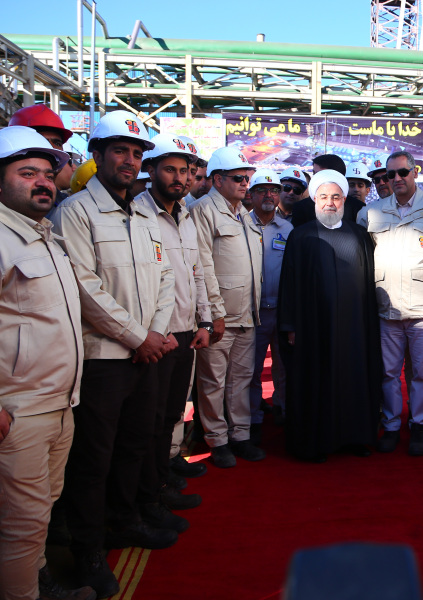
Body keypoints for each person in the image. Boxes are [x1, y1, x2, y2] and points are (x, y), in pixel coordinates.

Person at [0, 126, 91, 600]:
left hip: (57, 407)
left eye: (48, 174)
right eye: (27, 173)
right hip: (13, 415)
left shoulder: (46, 240)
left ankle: (37, 585)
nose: (43, 183)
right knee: (25, 523)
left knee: (37, 517)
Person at [52, 110, 177, 598]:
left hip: (146, 352)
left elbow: (165, 277)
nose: (130, 160)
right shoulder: (76, 212)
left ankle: (124, 520)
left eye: (136, 152)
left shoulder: (142, 214)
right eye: (120, 150)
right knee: (93, 459)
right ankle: (88, 551)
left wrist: (155, 334)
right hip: (103, 358)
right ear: (97, 154)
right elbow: (84, 288)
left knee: (134, 444)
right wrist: (138, 337)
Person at [277, 169, 383, 462]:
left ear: (344, 200)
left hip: (354, 326)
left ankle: (355, 437)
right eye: (323, 197)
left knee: (354, 378)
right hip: (313, 326)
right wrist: (290, 325)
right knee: (316, 380)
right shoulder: (300, 236)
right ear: (314, 199)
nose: (330, 203)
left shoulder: (359, 236)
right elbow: (289, 283)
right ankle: (316, 442)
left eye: (336, 197)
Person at [134, 134, 212, 532]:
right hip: (156, 337)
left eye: (185, 171)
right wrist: (156, 331)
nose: (179, 177)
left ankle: (161, 482)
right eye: (170, 169)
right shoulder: (137, 214)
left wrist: (204, 321)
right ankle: (147, 496)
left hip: (185, 332)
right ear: (151, 170)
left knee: (169, 416)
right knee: (148, 422)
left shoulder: (186, 216)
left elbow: (196, 273)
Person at [358, 151, 423, 456]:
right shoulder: (371, 213)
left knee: (422, 374)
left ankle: (419, 426)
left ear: (415, 173)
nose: (396, 179)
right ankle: (391, 426)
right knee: (388, 373)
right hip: (386, 310)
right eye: (390, 174)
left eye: (402, 172)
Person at [191, 147, 266, 469]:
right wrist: (213, 315)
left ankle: (240, 435)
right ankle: (217, 440)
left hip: (247, 315)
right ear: (218, 180)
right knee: (212, 382)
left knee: (241, 380)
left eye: (247, 178)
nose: (245, 184)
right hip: (220, 317)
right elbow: (202, 266)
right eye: (238, 178)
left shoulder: (244, 215)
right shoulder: (203, 211)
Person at [247, 171, 293, 433]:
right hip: (252, 312)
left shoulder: (287, 229)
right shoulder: (241, 224)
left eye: (274, 190)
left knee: (283, 367)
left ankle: (283, 409)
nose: (269, 195)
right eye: (262, 190)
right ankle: (253, 417)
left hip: (281, 311)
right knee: (251, 369)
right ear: (251, 194)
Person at [8, 105, 76, 203]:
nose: (52, 149)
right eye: (42, 141)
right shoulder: (10, 201)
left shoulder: (63, 203)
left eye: (57, 143)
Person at [291, 155, 364, 226]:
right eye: (314, 173)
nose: (314, 178)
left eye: (319, 174)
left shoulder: (357, 208)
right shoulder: (301, 207)